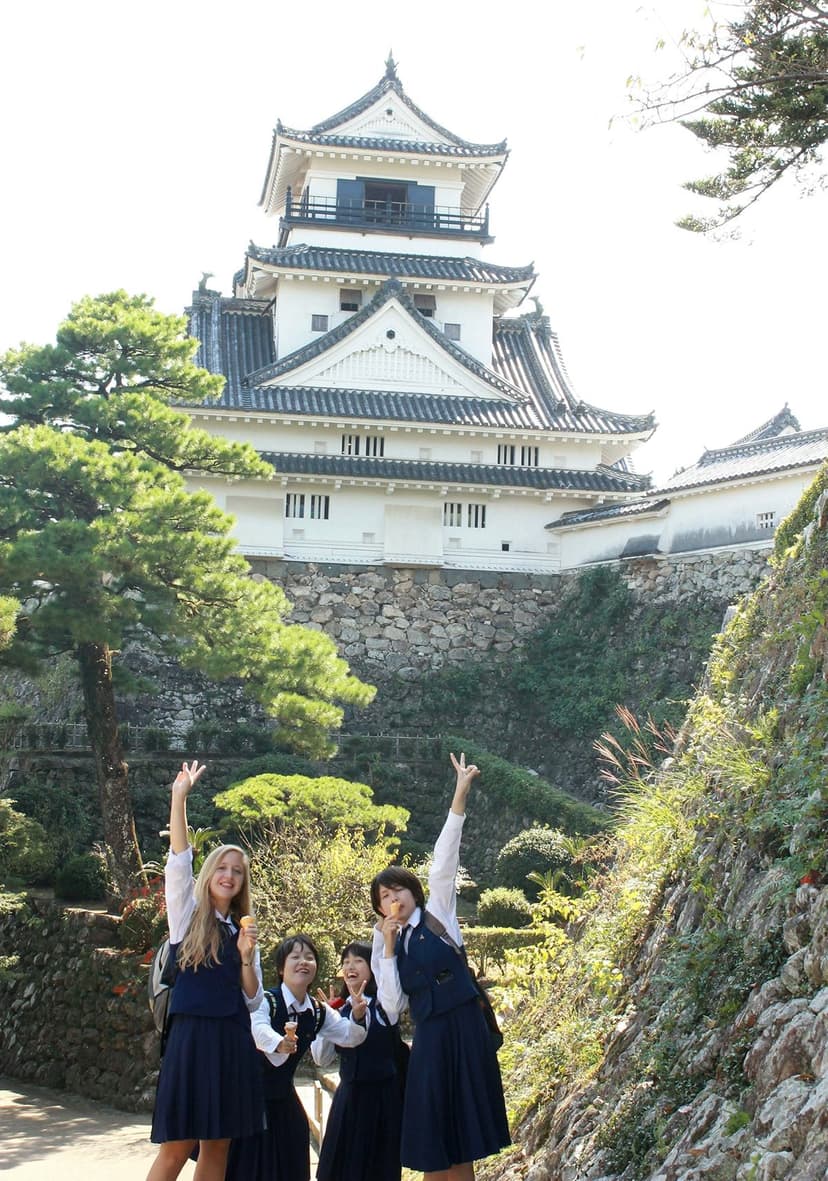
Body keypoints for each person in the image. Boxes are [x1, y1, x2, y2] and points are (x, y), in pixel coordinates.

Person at [371, 752, 511, 1181]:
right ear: (378, 909)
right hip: (430, 1035)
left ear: (412, 892)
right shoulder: (384, 943)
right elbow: (392, 1007)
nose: (394, 898)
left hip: (464, 1027)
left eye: (399, 889)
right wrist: (389, 948)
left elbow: (444, 858)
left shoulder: (439, 914)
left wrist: (460, 793)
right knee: (434, 1135)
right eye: (384, 896)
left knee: (463, 1134)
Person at [147, 760, 264, 1181]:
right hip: (192, 1036)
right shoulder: (188, 914)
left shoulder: (243, 929)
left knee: (219, 1143)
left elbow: (252, 998)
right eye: (222, 867)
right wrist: (179, 799)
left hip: (231, 1037)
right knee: (178, 1143)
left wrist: (248, 956)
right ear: (210, 873)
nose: (229, 876)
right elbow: (179, 862)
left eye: (237, 871)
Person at [226, 933, 369, 1181]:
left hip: (282, 1096)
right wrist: (279, 1043)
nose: (303, 962)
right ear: (281, 969)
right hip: (249, 1098)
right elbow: (257, 1029)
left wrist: (356, 1015)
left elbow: (350, 1036)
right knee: (249, 1164)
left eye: (309, 957)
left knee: (294, 1143)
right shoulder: (265, 1001)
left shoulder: (316, 1011)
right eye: (295, 957)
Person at [312, 941, 404, 1181]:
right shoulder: (338, 1011)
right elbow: (322, 1058)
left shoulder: (386, 1007)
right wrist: (325, 1016)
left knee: (378, 1169)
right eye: (346, 962)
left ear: (371, 967)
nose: (350, 967)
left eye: (358, 961)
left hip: (383, 1101)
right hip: (349, 1100)